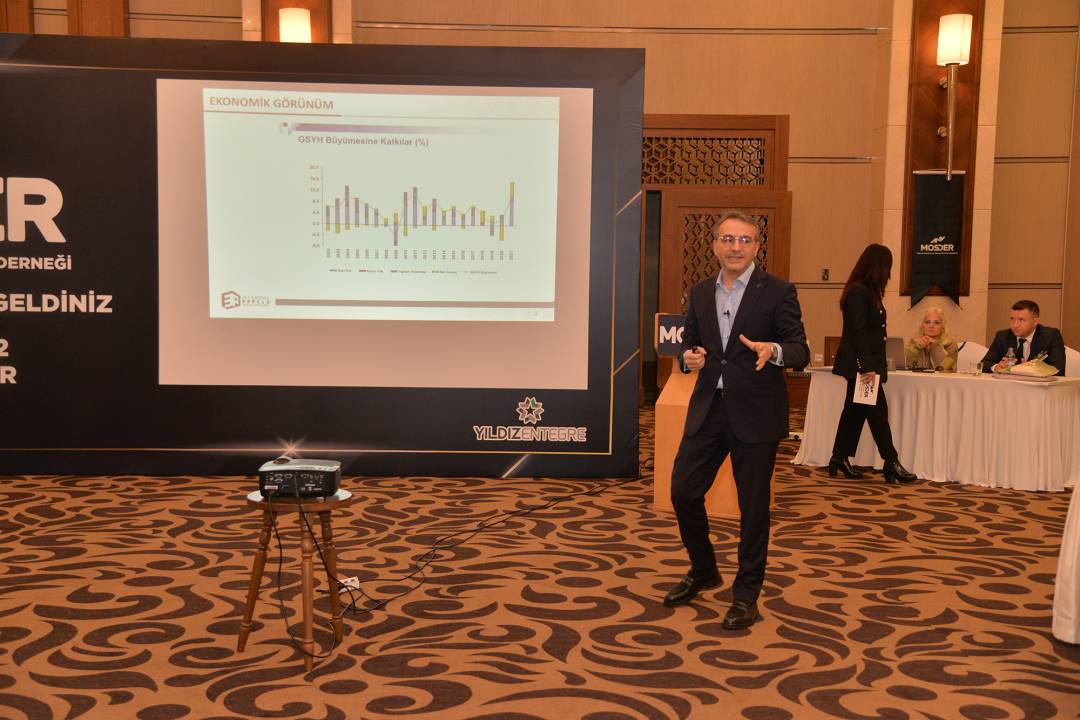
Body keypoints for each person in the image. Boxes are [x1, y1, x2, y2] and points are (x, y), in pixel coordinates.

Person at [664, 210, 809, 631]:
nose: (735, 247)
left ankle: (746, 595)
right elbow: (691, 344)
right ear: (715, 245)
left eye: (744, 240)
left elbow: (799, 349)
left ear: (756, 247)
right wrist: (687, 358)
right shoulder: (699, 292)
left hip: (756, 413)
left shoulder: (778, 291)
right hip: (709, 410)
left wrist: (773, 351)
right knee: (683, 492)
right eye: (727, 239)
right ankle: (704, 569)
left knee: (753, 509)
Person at [829, 244, 917, 485]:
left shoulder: (866, 291)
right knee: (878, 413)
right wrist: (867, 366)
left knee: (854, 412)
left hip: (866, 365)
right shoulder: (859, 293)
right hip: (863, 367)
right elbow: (858, 332)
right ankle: (891, 461)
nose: (889, 273)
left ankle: (839, 457)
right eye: (888, 267)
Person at [980, 300, 1066, 376]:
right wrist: (996, 367)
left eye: (1021, 320)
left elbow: (1059, 369)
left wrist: (1032, 369)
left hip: (1038, 387)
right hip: (1008, 386)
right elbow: (984, 364)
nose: (1015, 325)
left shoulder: (1051, 336)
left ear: (1035, 321)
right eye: (1012, 319)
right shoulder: (1003, 336)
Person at [904, 307, 958, 372]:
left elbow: (941, 368)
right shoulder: (914, 342)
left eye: (936, 323)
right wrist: (916, 347)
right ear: (922, 325)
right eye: (927, 322)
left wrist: (935, 346)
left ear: (943, 326)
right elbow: (907, 366)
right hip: (918, 378)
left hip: (942, 378)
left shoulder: (950, 345)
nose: (931, 326)